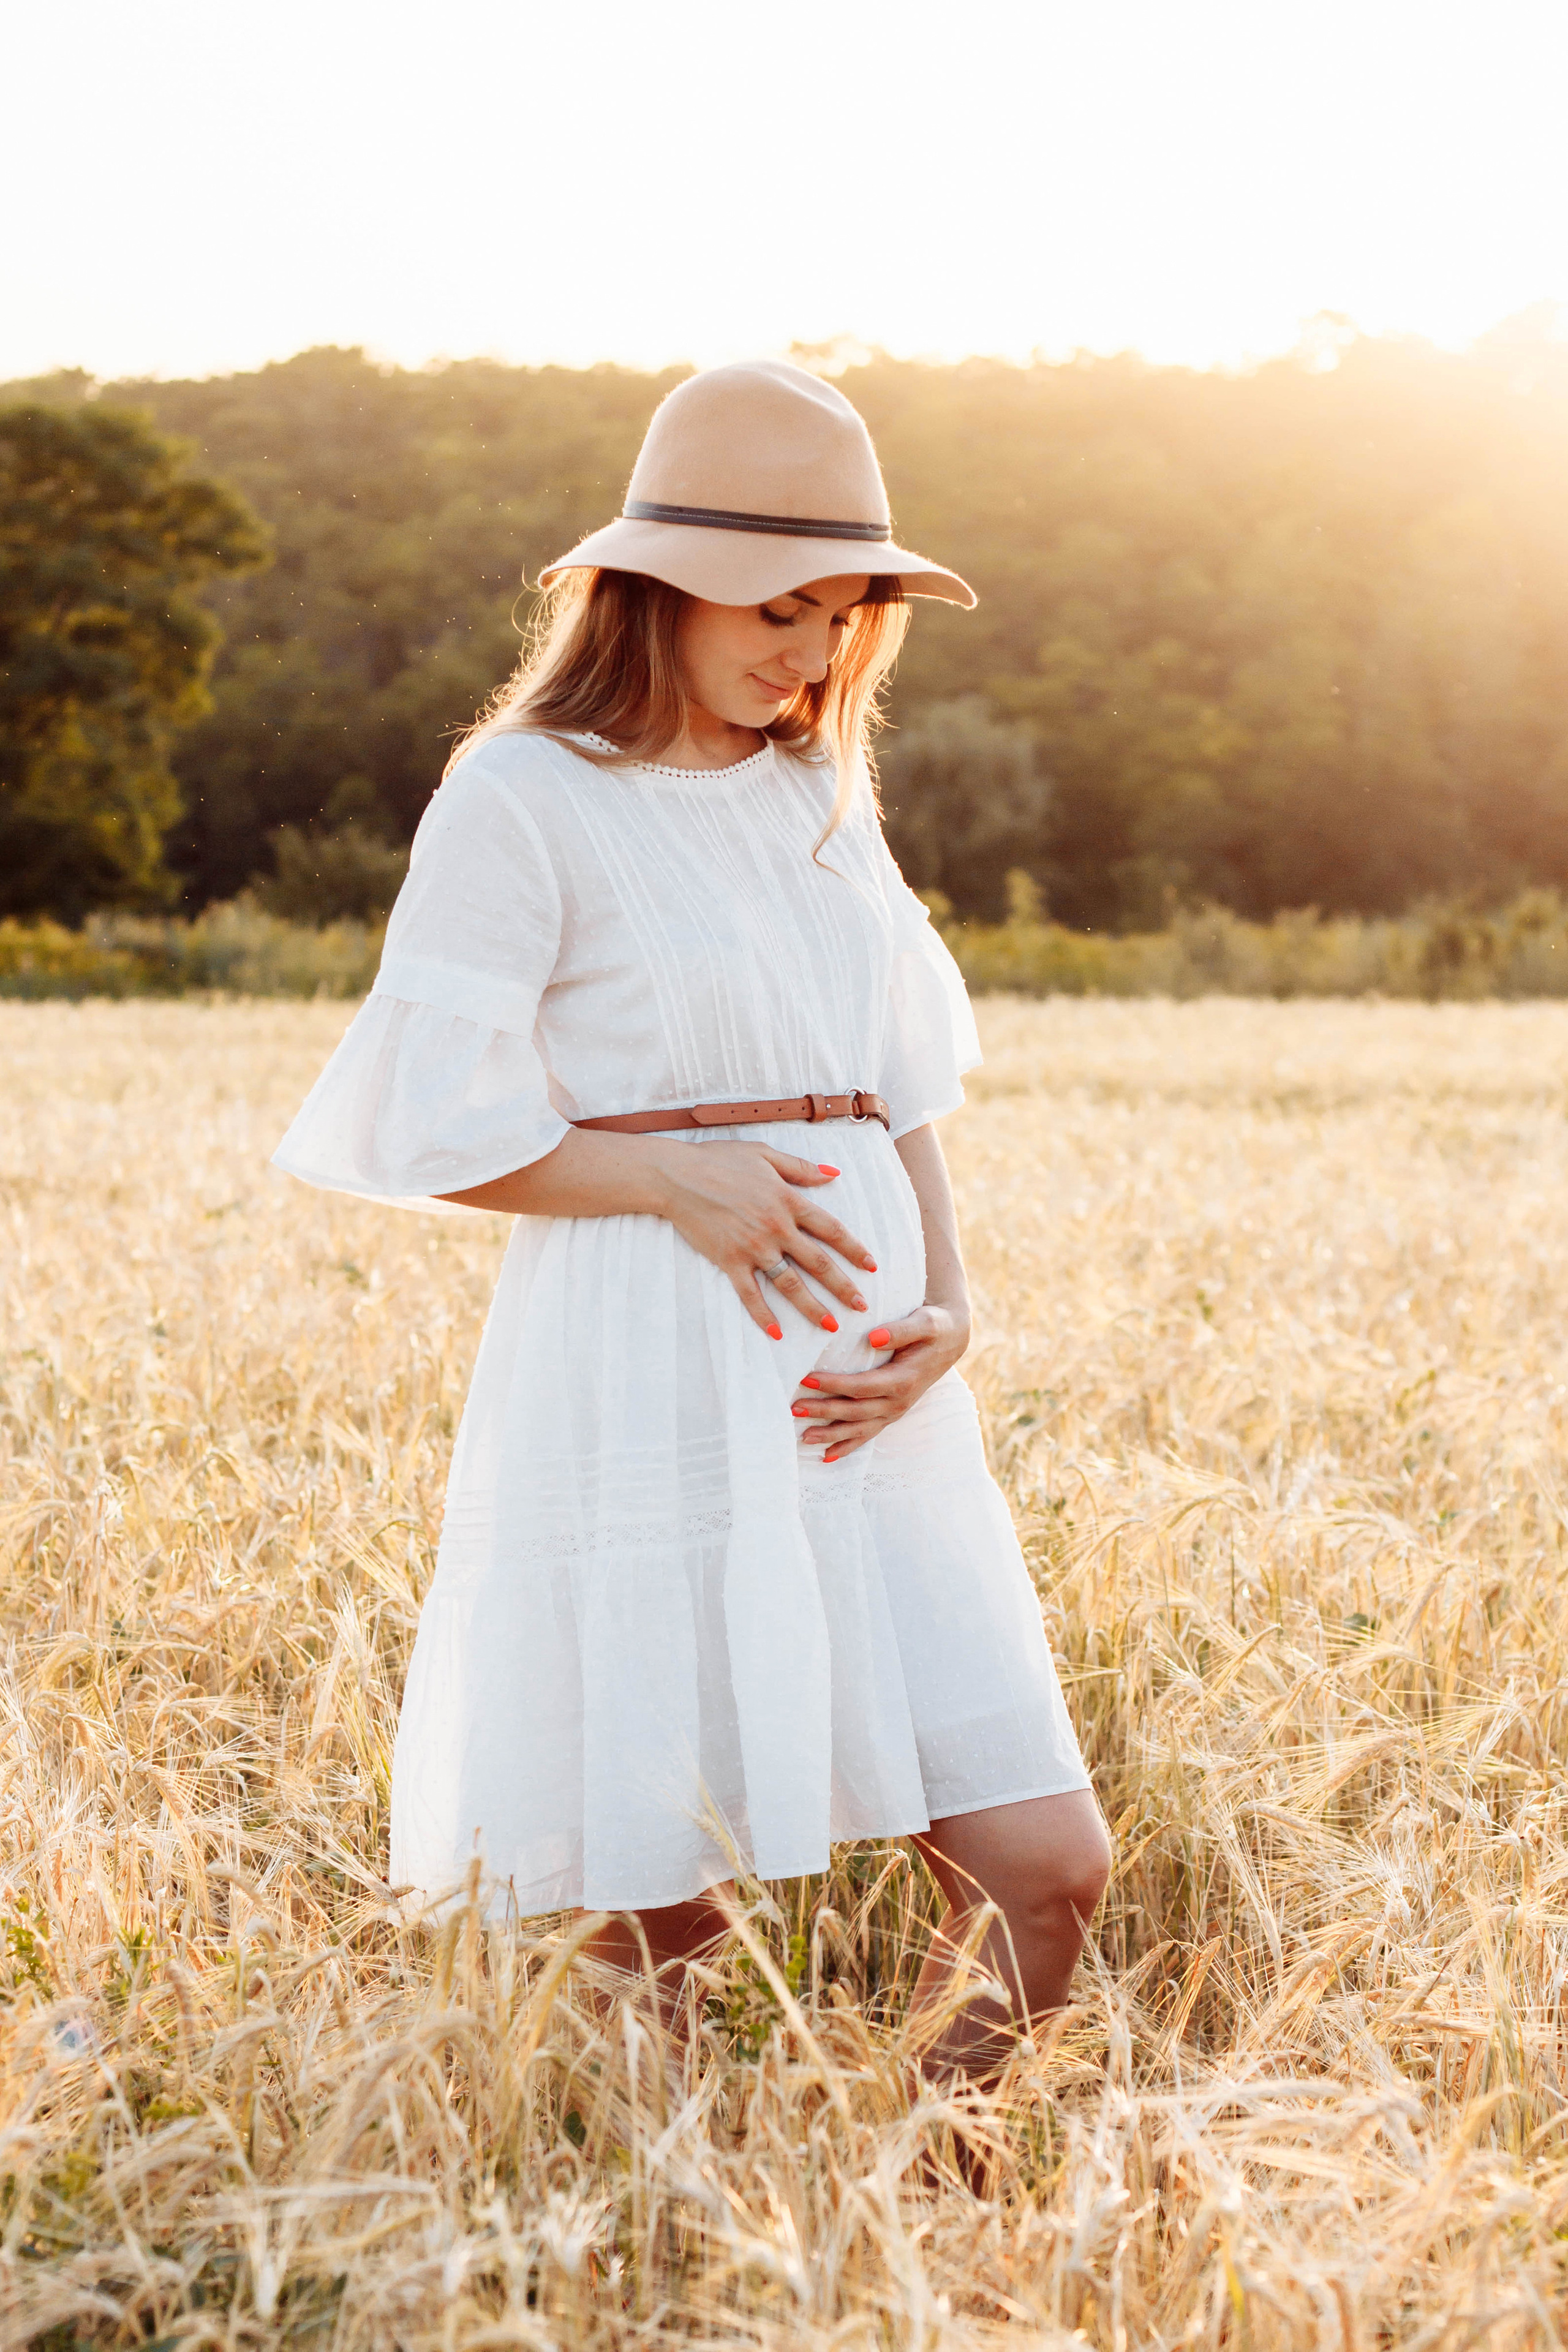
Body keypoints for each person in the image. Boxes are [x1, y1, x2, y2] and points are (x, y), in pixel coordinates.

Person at [273, 359, 1109, 2079]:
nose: (814, 659)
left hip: (867, 1384)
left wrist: (954, 1298)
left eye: (847, 621)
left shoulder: (816, 792)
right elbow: (432, 1120)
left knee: (1046, 1874)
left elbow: (895, 1076)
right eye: (786, 611)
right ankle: (678, 2269)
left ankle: (921, 2217)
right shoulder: (521, 795)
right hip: (648, 1349)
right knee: (659, 1924)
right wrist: (672, 1173)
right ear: (656, 581)